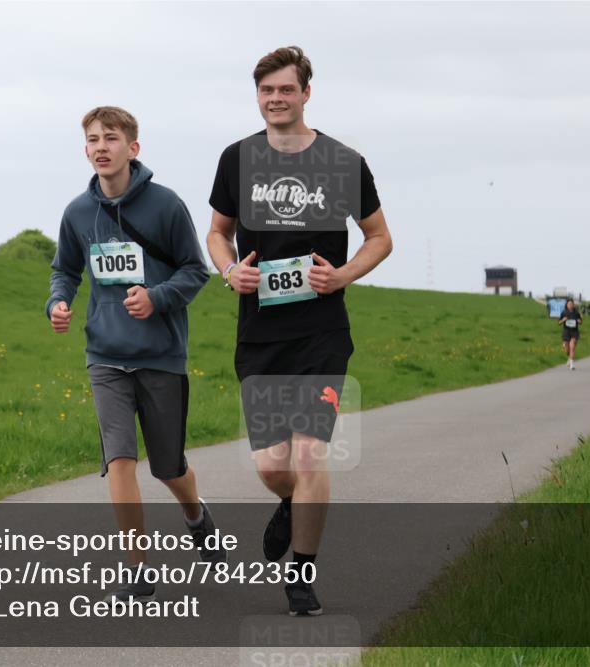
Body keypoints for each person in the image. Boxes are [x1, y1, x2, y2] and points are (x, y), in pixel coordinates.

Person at [206, 46, 393, 616]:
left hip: (321, 333)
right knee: (273, 466)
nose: (275, 100)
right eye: (266, 92)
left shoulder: (342, 161)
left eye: (286, 90)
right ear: (257, 96)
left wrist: (341, 276)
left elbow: (380, 237)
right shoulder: (236, 159)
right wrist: (228, 269)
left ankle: (302, 571)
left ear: (306, 93)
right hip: (260, 334)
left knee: (311, 457)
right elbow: (217, 232)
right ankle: (290, 505)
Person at [46, 107, 220, 603]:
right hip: (105, 354)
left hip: (161, 354)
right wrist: (57, 302)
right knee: (120, 458)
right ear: (86, 151)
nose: (101, 147)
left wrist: (157, 297)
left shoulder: (165, 206)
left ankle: (195, 514)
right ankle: (137, 568)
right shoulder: (78, 212)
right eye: (93, 140)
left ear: (133, 148)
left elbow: (194, 270)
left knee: (168, 467)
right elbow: (65, 270)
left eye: (112, 138)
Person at [558, 298, 582, 369]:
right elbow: (559, 322)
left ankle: (572, 364)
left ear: (573, 305)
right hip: (566, 332)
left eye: (571, 304)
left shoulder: (576, 313)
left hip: (574, 332)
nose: (570, 305)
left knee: (572, 347)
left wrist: (579, 321)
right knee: (567, 350)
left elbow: (580, 321)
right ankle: (569, 357)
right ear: (567, 305)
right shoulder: (564, 312)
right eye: (569, 304)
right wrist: (563, 320)